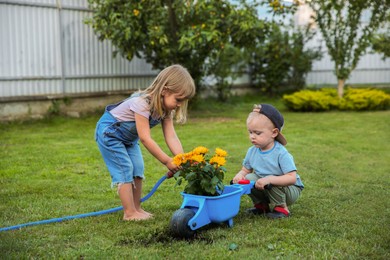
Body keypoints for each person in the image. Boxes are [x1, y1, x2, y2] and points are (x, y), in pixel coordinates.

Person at [95, 64, 196, 221]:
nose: (180, 104)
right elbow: (145, 138)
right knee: (125, 169)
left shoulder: (167, 109)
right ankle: (129, 213)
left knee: (138, 168)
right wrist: (167, 161)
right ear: (165, 90)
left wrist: (181, 158)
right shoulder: (142, 103)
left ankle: (136, 208)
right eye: (178, 99)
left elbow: (171, 136)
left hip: (128, 138)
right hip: (110, 134)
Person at [232, 104, 304, 219]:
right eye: (250, 132)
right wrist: (240, 176)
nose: (252, 137)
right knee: (249, 178)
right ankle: (261, 206)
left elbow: (291, 178)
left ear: (274, 133)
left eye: (258, 133)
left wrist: (270, 179)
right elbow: (245, 170)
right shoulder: (252, 151)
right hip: (266, 185)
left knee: (272, 179)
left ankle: (282, 208)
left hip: (289, 190)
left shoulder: (281, 153)